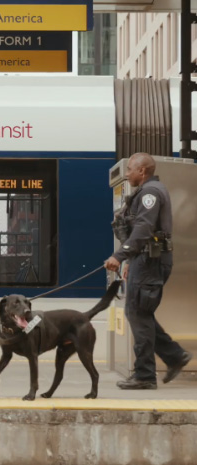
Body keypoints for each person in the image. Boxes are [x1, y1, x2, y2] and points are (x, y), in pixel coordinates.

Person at [104, 152, 191, 389]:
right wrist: (131, 262)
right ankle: (175, 356)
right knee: (139, 313)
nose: (128, 174)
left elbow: (143, 228)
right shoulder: (149, 191)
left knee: (138, 314)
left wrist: (119, 256)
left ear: (142, 171)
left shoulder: (151, 193)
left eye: (130, 169)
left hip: (151, 263)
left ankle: (144, 375)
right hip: (146, 261)